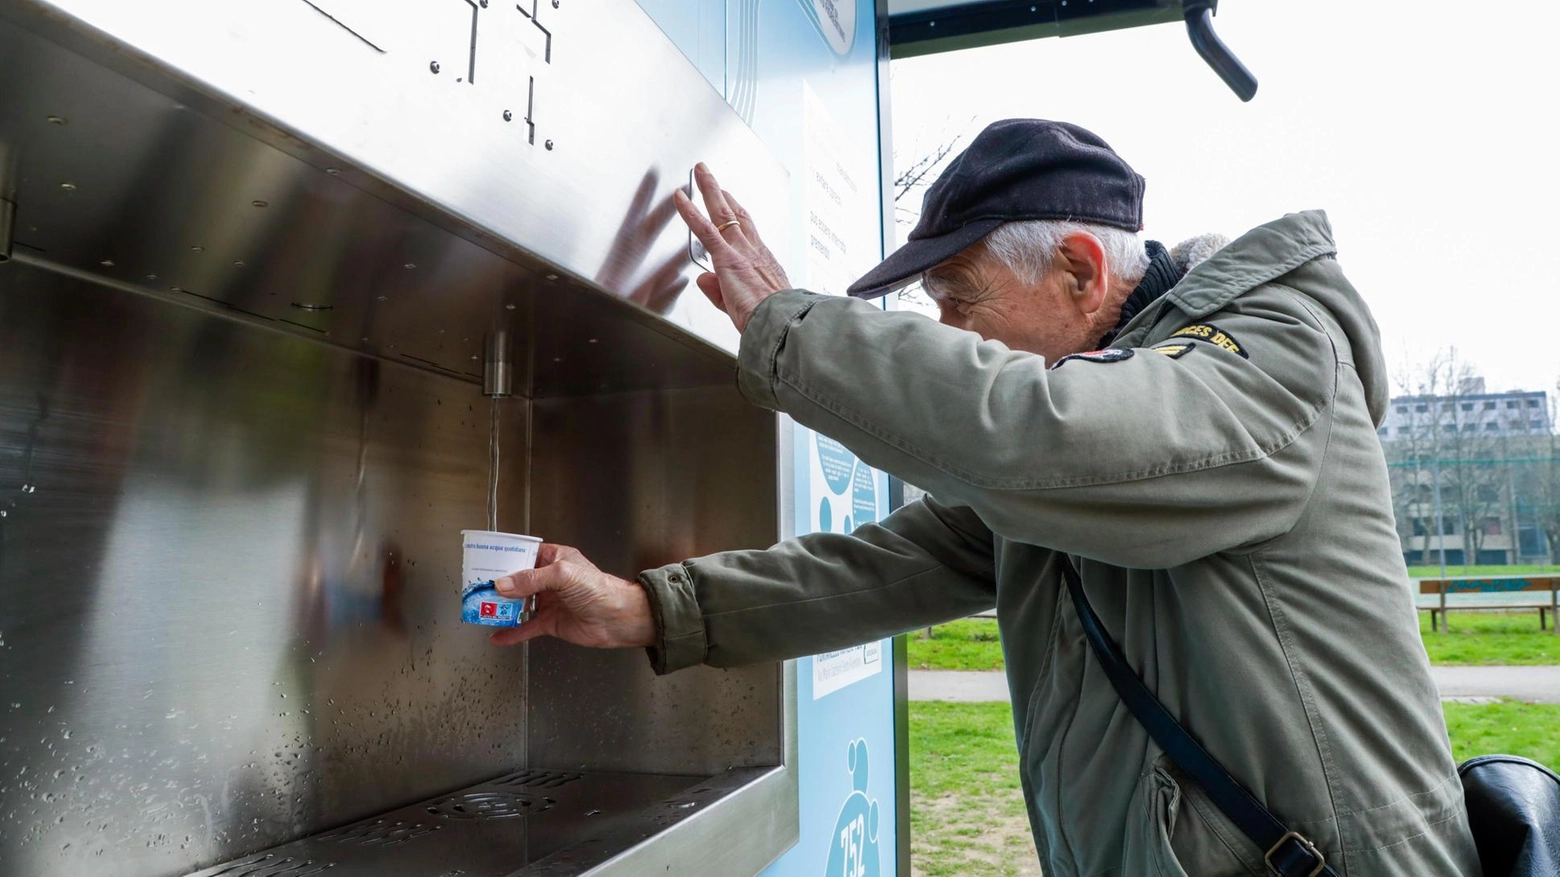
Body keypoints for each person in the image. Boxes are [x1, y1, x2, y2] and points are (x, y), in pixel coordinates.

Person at [486, 120, 1480, 876]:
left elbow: (1047, 432)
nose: (953, 331)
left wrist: (793, 332)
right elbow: (899, 560)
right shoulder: (1089, 443)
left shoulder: (1270, 356)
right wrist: (649, 607)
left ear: (1079, 271)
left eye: (961, 299)